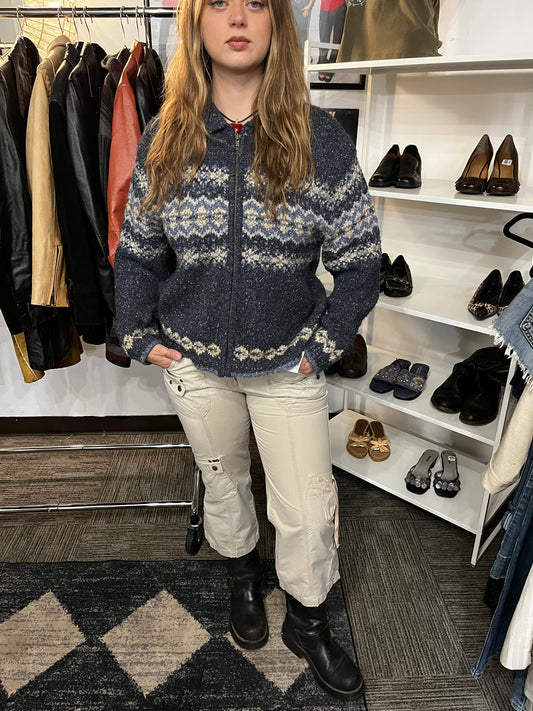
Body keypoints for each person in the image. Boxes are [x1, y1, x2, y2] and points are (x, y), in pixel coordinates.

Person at [114, 0, 380, 700]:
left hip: (288, 362)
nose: (237, 17)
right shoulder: (166, 139)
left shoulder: (319, 140)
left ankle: (308, 618)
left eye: (256, 2)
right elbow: (137, 251)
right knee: (224, 480)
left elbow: (361, 262)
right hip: (195, 362)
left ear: (277, 25)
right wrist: (137, 331)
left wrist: (323, 344)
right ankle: (242, 577)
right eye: (220, 3)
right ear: (196, 23)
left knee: (306, 505)